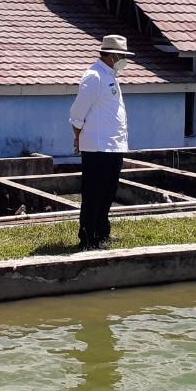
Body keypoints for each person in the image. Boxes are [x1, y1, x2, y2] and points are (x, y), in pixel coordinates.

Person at [69, 35, 132, 250]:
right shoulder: (94, 76)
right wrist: (78, 137)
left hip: (113, 145)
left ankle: (102, 232)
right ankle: (88, 237)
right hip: (97, 147)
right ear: (113, 54)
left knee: (108, 192)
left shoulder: (110, 75)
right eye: (122, 55)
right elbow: (77, 113)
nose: (124, 59)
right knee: (93, 194)